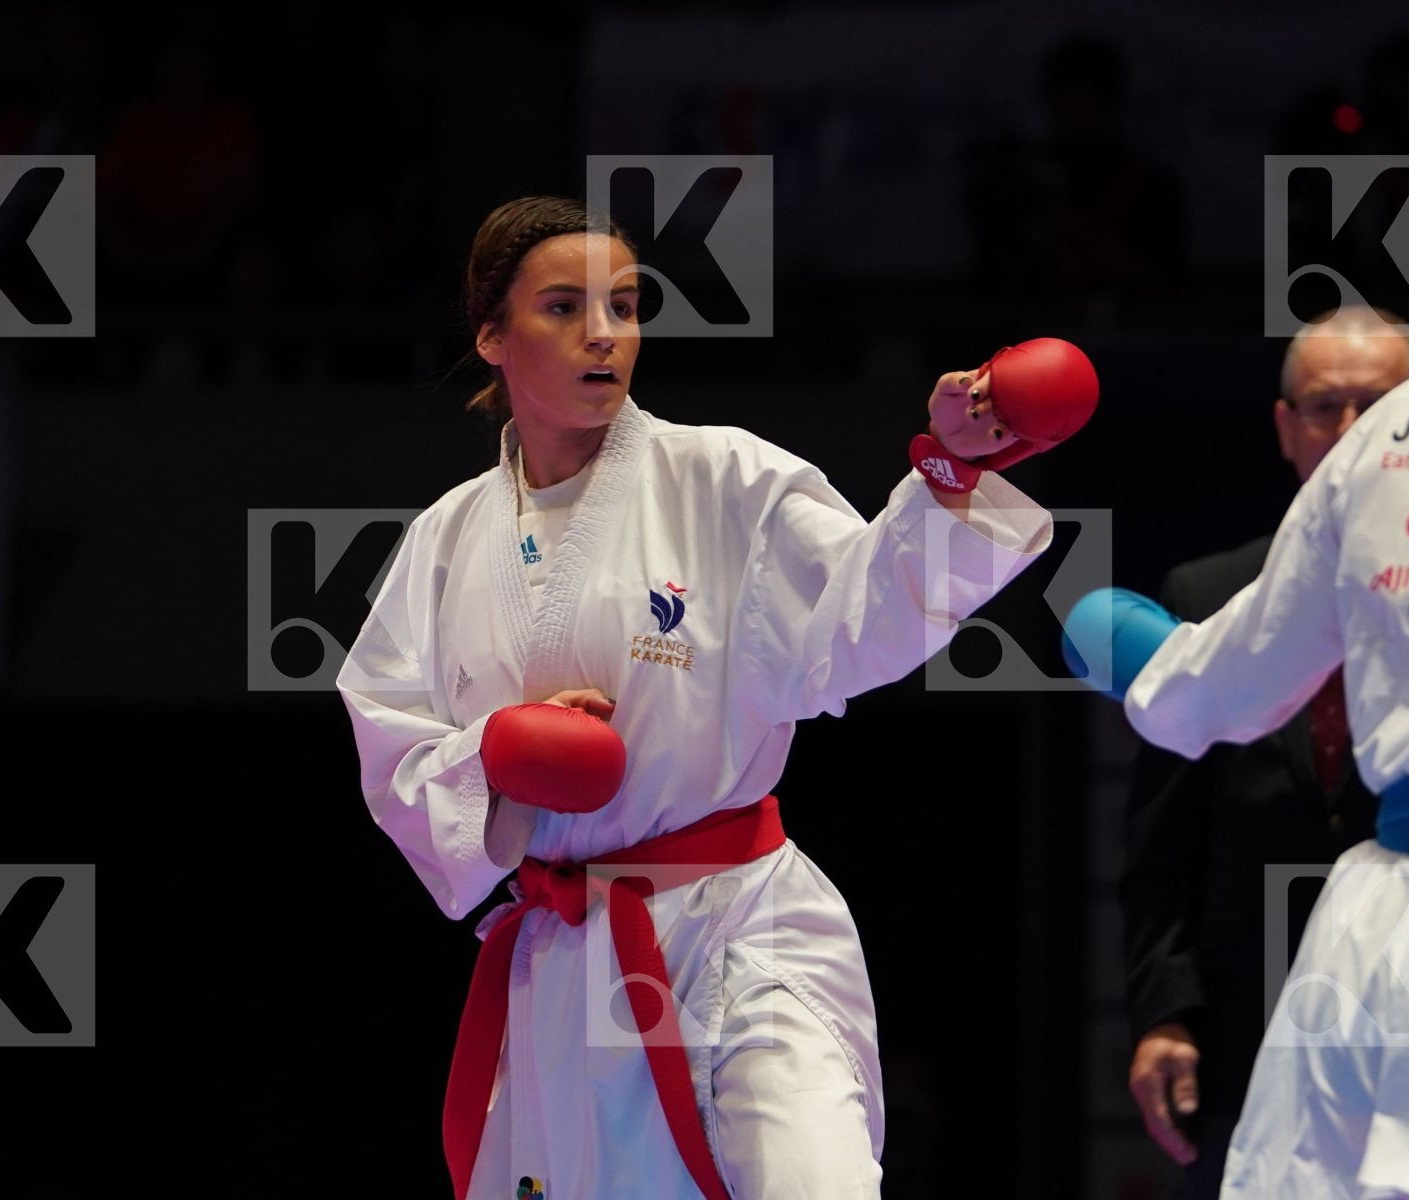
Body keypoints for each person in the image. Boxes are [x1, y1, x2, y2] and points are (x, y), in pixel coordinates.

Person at [336, 195, 1096, 1198]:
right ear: (491, 334)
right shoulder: (444, 541)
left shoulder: (727, 479)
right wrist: (499, 760)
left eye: (623, 305)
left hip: (741, 927)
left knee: (812, 1181)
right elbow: (392, 748)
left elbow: (855, 628)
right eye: (563, 307)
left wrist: (951, 469)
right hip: (567, 966)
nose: (603, 334)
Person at [1068, 85, 1409, 1199]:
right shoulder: (1392, 415)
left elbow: (1223, 690)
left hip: (1395, 945)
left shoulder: (1399, 426)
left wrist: (1140, 657)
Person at [1121, 306, 1409, 1196]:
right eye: (1327, 406)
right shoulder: (1209, 594)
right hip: (1249, 1019)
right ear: (1286, 427)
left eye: (1380, 405)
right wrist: (1166, 1014)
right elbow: (1162, 851)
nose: (1353, 431)